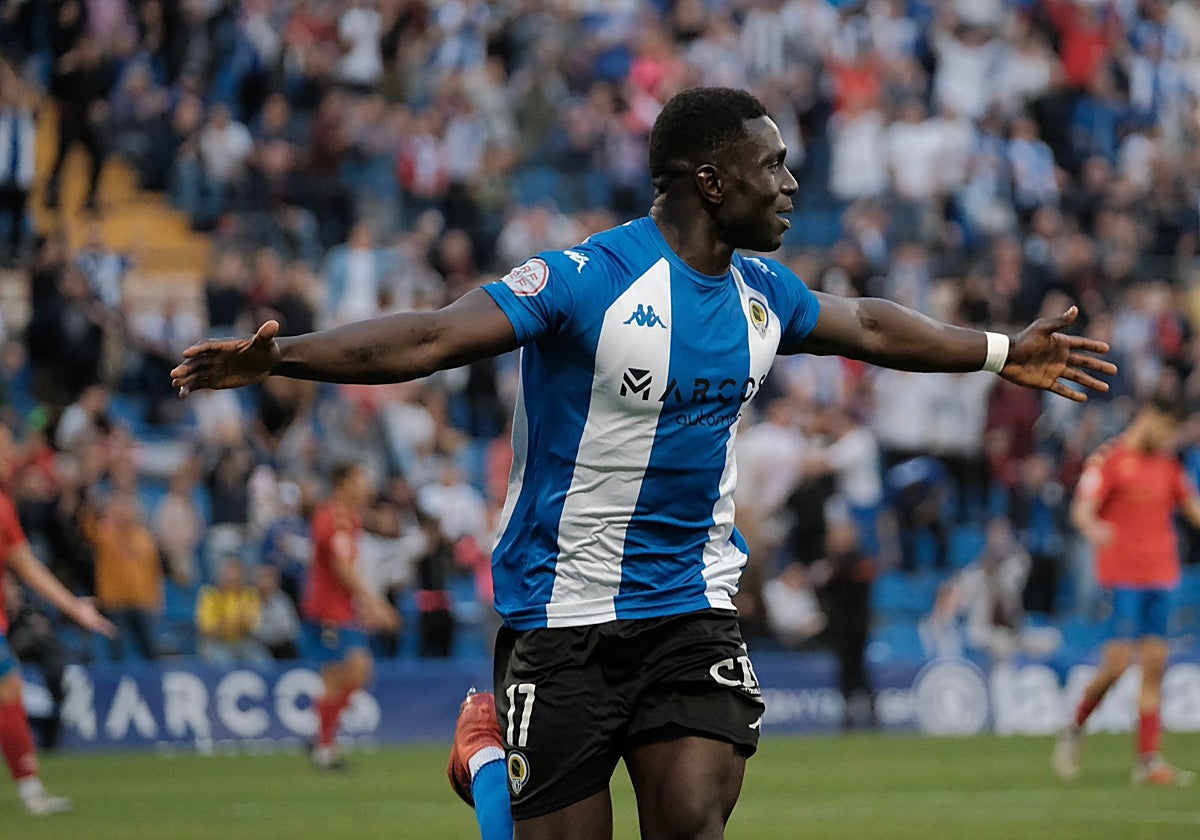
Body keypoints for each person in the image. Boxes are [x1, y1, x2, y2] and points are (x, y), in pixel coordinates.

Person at [173, 87, 1114, 840]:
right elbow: (426, 337)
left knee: (692, 821)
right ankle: (492, 767)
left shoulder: (762, 293)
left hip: (693, 609)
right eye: (772, 164)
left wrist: (997, 350)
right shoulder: (587, 281)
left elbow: (867, 322)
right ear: (711, 181)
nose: (791, 182)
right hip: (564, 612)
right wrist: (281, 355)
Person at [1054, 398, 1200, 786]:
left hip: (1161, 574)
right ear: (1151, 417)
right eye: (1170, 430)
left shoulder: (1168, 466)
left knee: (1155, 665)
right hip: (1122, 577)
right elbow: (1081, 511)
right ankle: (1075, 726)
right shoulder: (1110, 460)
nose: (1172, 440)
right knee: (1117, 665)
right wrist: (1095, 529)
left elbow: (1193, 510)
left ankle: (1148, 760)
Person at [0, 427, 116, 815]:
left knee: (9, 687)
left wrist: (72, 607)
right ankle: (30, 790)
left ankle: (31, 789)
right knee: (8, 687)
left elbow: (26, 564)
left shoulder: (3, 507)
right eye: (3, 445)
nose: (10, 452)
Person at [301, 463, 398, 770]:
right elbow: (341, 568)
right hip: (329, 612)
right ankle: (324, 744)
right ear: (343, 482)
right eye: (360, 478)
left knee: (339, 677)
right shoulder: (333, 518)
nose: (366, 485)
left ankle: (323, 742)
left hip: (341, 610)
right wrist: (375, 603)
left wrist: (364, 605)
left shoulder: (351, 518)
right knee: (355, 669)